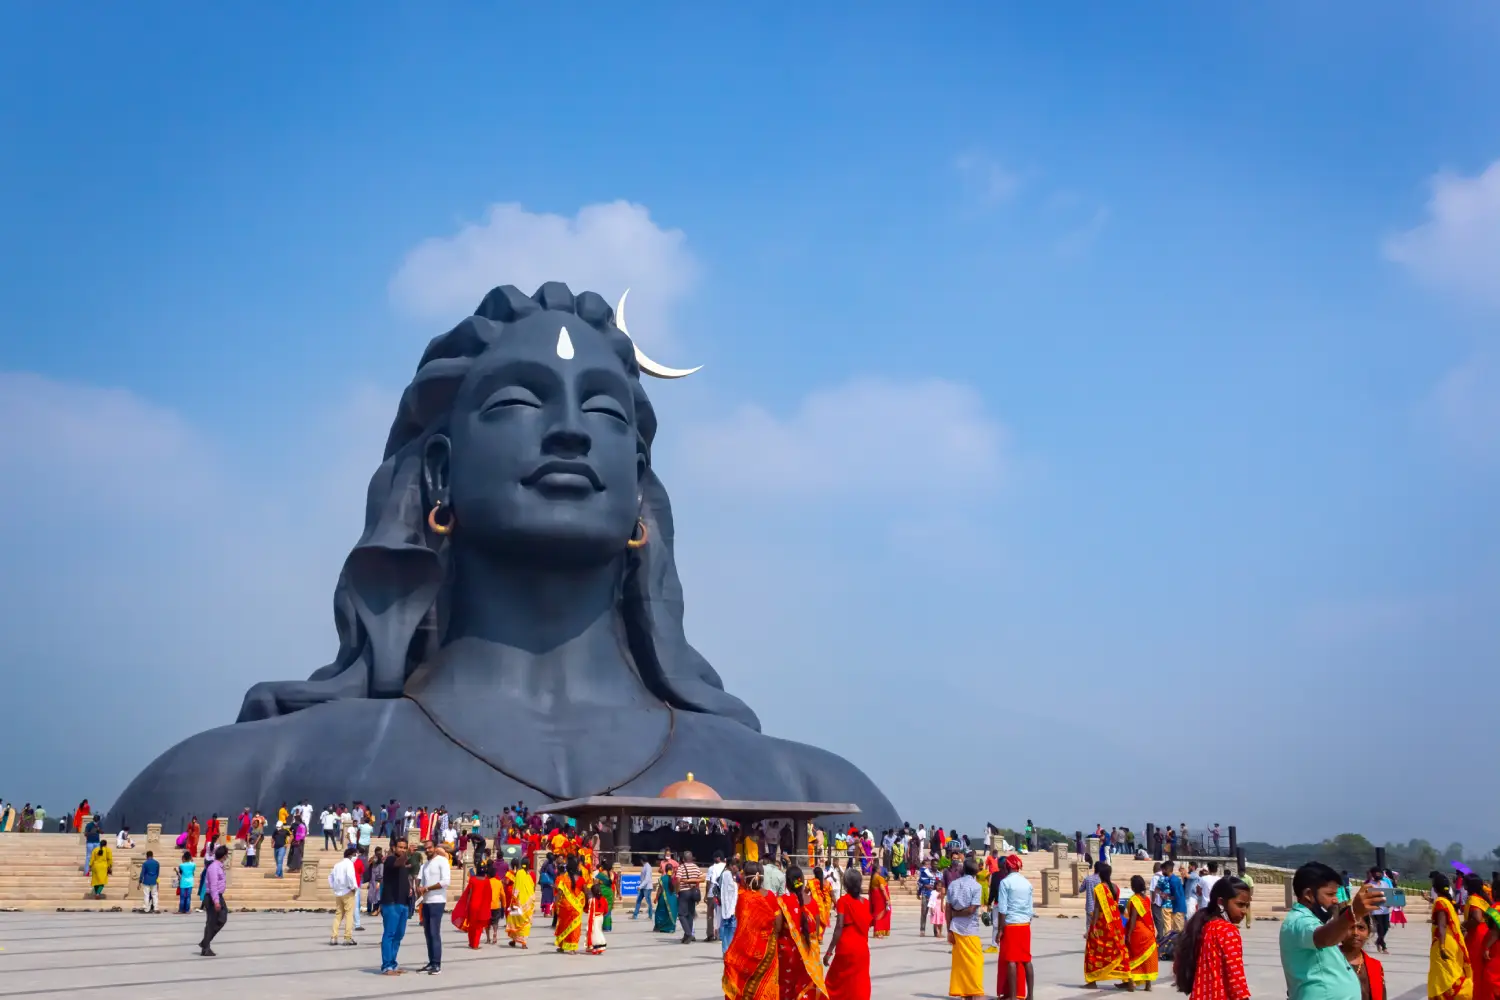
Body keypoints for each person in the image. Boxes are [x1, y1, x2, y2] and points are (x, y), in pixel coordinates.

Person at [1280, 861, 1385, 1000]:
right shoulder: (1299, 921)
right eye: (1330, 894)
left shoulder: (1311, 920)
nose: (1335, 900)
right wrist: (1352, 913)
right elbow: (1323, 938)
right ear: (1308, 894)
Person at [1174, 875, 1252, 1000]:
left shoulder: (1204, 926)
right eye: (1240, 905)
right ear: (1221, 902)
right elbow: (1236, 981)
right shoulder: (1228, 931)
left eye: (1247, 906)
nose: (1244, 911)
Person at [994, 854, 1035, 1000]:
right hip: (1024, 924)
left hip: (1011, 924)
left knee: (1011, 960)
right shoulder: (1027, 883)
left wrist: (1000, 930)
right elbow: (1030, 910)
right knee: (1026, 960)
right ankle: (1030, 995)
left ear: (1007, 866)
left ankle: (1011, 996)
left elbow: (1003, 909)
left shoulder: (1005, 883)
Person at [1429, 872, 1473, 1000]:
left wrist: (1442, 947)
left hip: (1444, 943)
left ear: (1435, 888)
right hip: (1452, 942)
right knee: (1451, 972)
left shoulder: (1440, 902)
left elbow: (1442, 926)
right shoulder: (1449, 902)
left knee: (1442, 977)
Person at [1083, 862, 1128, 987]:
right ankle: (1128, 980)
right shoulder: (1116, 887)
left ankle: (1092, 980)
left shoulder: (1100, 888)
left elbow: (1097, 908)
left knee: (1093, 951)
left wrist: (1093, 926)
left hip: (1102, 924)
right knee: (1118, 950)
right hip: (1115, 923)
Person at [947, 857, 986, 999]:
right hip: (970, 929)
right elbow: (971, 910)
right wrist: (957, 913)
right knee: (976, 961)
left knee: (961, 964)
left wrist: (949, 929)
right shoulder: (977, 886)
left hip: (955, 928)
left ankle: (964, 992)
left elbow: (947, 908)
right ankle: (975, 991)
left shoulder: (953, 884)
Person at [378, 839, 412, 975]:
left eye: (405, 848)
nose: (403, 850)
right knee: (390, 934)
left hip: (402, 903)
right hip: (391, 903)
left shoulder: (403, 863)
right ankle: (386, 966)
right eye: (400, 847)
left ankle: (393, 963)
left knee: (399, 935)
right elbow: (397, 863)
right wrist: (407, 854)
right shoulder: (391, 860)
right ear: (394, 848)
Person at [419, 843, 451, 975]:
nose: (428, 850)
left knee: (434, 932)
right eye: (425, 848)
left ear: (435, 848)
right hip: (426, 901)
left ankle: (437, 964)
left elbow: (445, 882)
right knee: (427, 933)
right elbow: (420, 880)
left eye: (430, 848)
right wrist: (418, 888)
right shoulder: (425, 864)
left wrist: (427, 888)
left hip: (437, 901)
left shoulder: (442, 861)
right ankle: (431, 961)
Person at [1340, 914, 1386, 1000]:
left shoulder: (1375, 966)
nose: (1355, 933)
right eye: (1350, 927)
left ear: (1368, 932)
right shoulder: (1327, 962)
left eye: (1361, 928)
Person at [1124, 875, 1157, 992]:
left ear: (1133, 887)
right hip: (1148, 931)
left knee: (1131, 957)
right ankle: (1148, 985)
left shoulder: (1134, 899)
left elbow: (1133, 918)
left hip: (1137, 931)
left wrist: (1128, 934)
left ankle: (1131, 983)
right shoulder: (1146, 899)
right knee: (1147, 959)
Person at [451, 860, 493, 951]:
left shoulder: (473, 880)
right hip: (482, 906)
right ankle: (475, 944)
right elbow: (489, 895)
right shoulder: (486, 881)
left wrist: (467, 905)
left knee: (471, 925)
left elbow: (469, 893)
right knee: (478, 926)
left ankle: (471, 943)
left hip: (472, 905)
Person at [199, 845, 228, 957]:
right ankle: (206, 947)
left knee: (222, 918)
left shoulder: (219, 867)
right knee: (212, 922)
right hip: (212, 897)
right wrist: (216, 901)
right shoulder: (213, 868)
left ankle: (205, 943)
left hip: (218, 896)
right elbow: (213, 885)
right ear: (224, 856)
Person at [553, 857, 586, 954]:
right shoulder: (581, 879)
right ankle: (572, 948)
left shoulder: (563, 880)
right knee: (575, 927)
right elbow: (586, 892)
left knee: (563, 925)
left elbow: (559, 894)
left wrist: (556, 905)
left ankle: (562, 947)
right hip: (577, 907)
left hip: (565, 906)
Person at [328, 846, 359, 946]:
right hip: (347, 891)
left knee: (338, 915)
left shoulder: (337, 864)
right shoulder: (349, 864)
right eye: (355, 855)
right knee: (349, 915)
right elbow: (350, 876)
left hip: (338, 892)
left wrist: (334, 887)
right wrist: (353, 887)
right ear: (351, 855)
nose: (356, 857)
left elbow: (330, 876)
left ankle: (334, 937)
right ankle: (347, 937)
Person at [506, 861, 536, 949]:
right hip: (528, 903)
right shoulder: (529, 875)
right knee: (526, 923)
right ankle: (523, 943)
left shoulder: (519, 873)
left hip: (519, 902)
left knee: (516, 921)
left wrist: (514, 898)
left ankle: (514, 940)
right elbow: (533, 887)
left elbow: (517, 886)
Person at [1366, 868, 1394, 955]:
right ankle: (1384, 946)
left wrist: (1390, 902)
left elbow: (1389, 894)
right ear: (1373, 874)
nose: (1378, 874)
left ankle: (1378, 941)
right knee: (1380, 928)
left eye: (1379, 873)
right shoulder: (1370, 885)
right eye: (1376, 873)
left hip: (1385, 910)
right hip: (1375, 910)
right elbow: (1368, 897)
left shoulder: (1385, 884)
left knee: (1385, 927)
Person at [677, 851, 704, 943]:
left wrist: (677, 890)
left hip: (684, 892)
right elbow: (702, 878)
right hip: (693, 892)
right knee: (690, 914)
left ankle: (688, 934)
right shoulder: (696, 867)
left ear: (683, 859)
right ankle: (688, 935)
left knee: (681, 914)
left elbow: (678, 879)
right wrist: (693, 880)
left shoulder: (681, 867)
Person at [870, 866, 891, 938]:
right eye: (879, 868)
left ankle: (876, 932)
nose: (881, 869)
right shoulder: (879, 878)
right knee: (880, 914)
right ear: (877, 870)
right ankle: (878, 932)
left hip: (876, 898)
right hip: (880, 898)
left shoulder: (873, 878)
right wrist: (887, 899)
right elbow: (882, 889)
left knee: (877, 913)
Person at [632, 854, 655, 919]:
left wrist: (640, 886)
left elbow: (647, 879)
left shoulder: (648, 867)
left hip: (647, 888)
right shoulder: (645, 866)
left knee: (648, 902)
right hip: (643, 887)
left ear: (642, 860)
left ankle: (650, 915)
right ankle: (635, 915)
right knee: (638, 900)